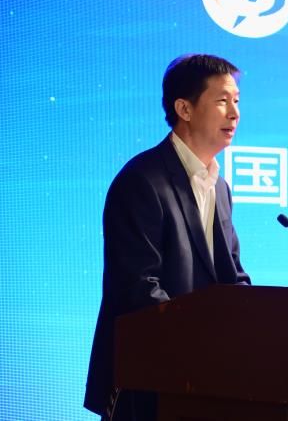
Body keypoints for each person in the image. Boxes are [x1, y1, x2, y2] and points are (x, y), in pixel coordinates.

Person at [84, 54, 251, 420]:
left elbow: (232, 276)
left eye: (237, 101)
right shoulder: (142, 181)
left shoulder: (219, 187)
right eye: (222, 101)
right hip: (145, 380)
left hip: (204, 383)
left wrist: (258, 321)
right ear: (184, 109)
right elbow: (138, 288)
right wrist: (205, 341)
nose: (235, 113)